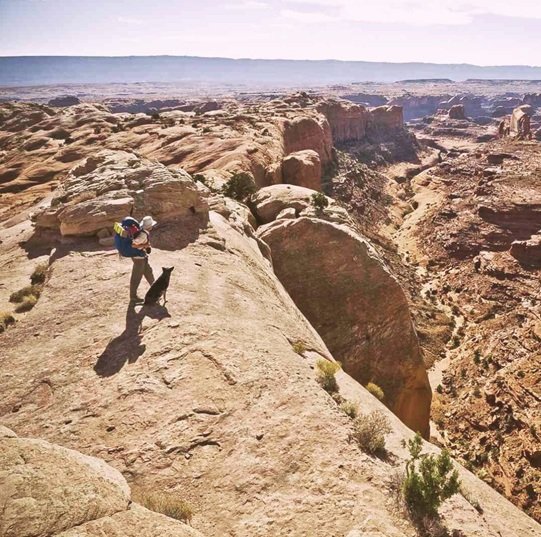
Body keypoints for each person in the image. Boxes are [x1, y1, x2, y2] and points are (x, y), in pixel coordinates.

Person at [113, 215, 157, 304]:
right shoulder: (142, 235)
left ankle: (156, 291)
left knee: (149, 273)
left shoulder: (142, 231)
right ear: (150, 227)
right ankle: (133, 297)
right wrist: (145, 246)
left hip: (141, 256)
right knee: (136, 277)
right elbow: (133, 245)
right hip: (138, 258)